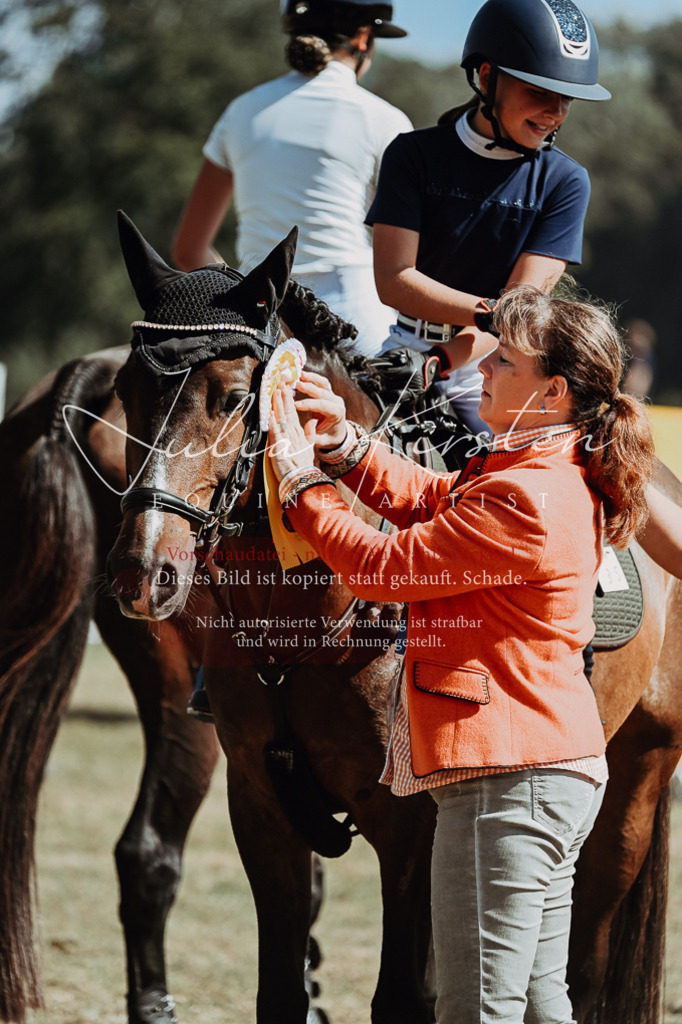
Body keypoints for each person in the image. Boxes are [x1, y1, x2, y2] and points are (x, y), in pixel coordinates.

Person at [266, 285, 655, 1024]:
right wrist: (346, 445)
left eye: (504, 360)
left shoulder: (525, 495)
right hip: (545, 773)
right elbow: (435, 498)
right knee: (538, 1007)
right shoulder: (537, 472)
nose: (482, 370)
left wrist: (299, 485)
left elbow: (385, 569)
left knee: (476, 1009)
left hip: (508, 780)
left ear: (553, 390)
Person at [367, 0, 611, 435]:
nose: (556, 112)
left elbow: (519, 315)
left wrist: (444, 359)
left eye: (566, 98)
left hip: (498, 362)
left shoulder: (566, 182)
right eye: (540, 92)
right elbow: (393, 279)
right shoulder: (412, 154)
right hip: (404, 347)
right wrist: (483, 317)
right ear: (486, 77)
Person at [172, 0, 412, 358]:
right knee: (411, 409)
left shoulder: (241, 110)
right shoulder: (386, 120)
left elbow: (188, 250)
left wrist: (241, 293)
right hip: (354, 316)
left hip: (255, 315)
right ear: (363, 37)